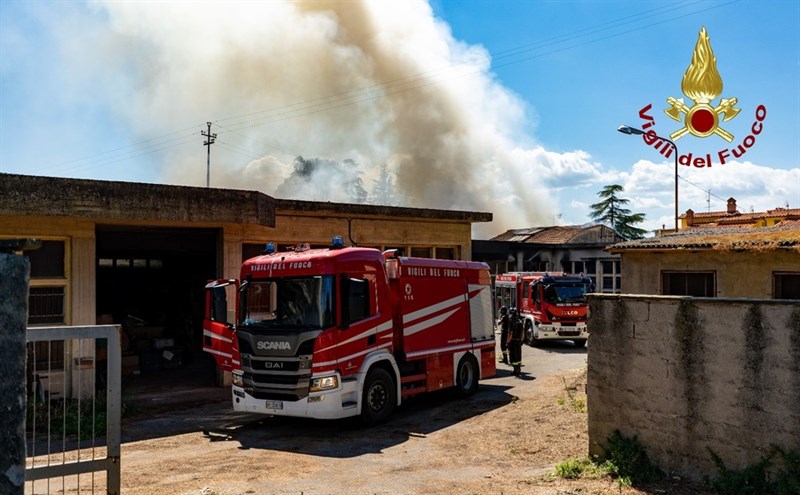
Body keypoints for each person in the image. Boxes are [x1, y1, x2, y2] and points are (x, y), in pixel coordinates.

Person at [507, 307, 524, 376]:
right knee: (518, 355)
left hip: (513, 341)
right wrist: (521, 340)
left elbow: (510, 333)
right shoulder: (519, 321)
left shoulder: (511, 322)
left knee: (513, 356)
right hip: (518, 341)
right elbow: (522, 332)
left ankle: (515, 370)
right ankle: (518, 369)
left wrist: (508, 342)